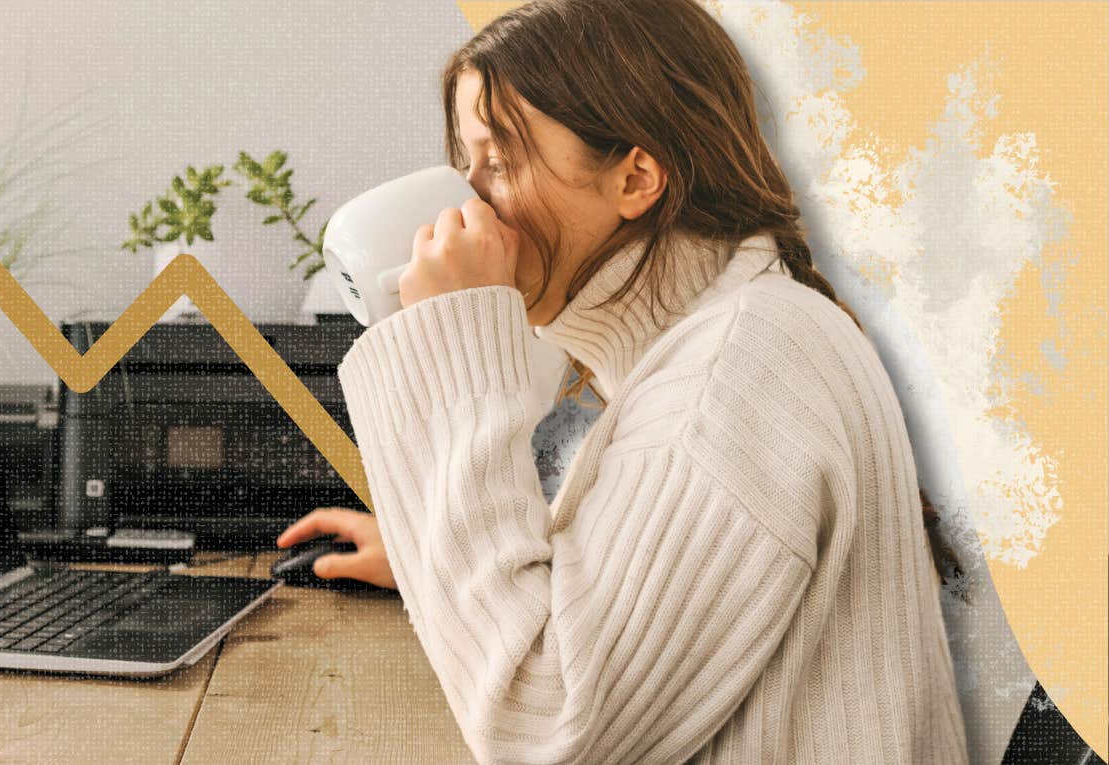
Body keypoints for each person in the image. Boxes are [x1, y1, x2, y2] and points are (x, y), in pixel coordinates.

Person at [276, 0, 968, 762]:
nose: (465, 204)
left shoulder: (730, 376)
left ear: (636, 177)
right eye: (466, 167)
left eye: (499, 163)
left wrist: (452, 332)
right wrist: (429, 556)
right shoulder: (732, 330)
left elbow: (543, 725)